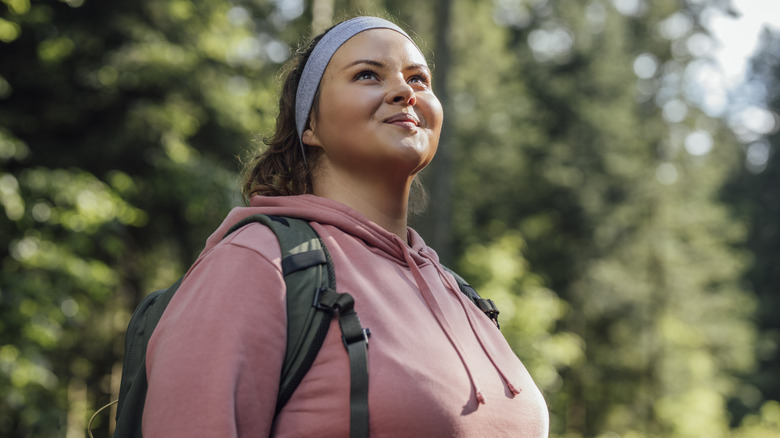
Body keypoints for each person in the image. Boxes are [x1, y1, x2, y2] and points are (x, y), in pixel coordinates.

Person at [142, 15, 549, 437]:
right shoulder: (259, 263)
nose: (404, 92)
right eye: (368, 74)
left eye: (419, 79)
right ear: (310, 125)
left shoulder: (461, 295)